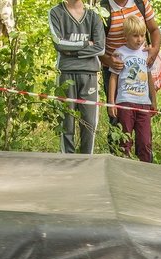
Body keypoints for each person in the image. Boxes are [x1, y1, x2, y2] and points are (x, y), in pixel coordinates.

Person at [49, 0, 105, 155]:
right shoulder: (56, 12)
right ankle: (67, 160)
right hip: (66, 73)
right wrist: (86, 43)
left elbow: (100, 48)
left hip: (90, 74)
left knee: (89, 123)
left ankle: (87, 160)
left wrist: (73, 52)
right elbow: (59, 44)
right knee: (67, 122)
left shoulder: (94, 16)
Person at [107, 15, 156, 162]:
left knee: (145, 142)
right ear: (126, 36)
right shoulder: (120, 53)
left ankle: (146, 171)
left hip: (143, 104)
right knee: (125, 140)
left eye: (142, 35)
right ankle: (124, 169)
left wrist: (153, 100)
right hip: (125, 102)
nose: (139, 39)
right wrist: (111, 102)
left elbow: (149, 77)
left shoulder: (146, 53)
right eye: (135, 36)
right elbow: (113, 78)